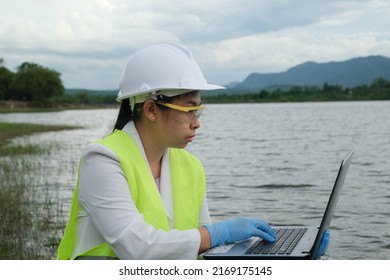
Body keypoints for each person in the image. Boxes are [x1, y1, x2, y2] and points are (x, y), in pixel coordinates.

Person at [57, 42, 329, 260]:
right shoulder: (103, 160)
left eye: (198, 110)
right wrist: (220, 232)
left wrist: (287, 257)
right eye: (189, 110)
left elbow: (202, 252)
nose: (197, 122)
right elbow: (139, 248)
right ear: (151, 109)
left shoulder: (189, 166)